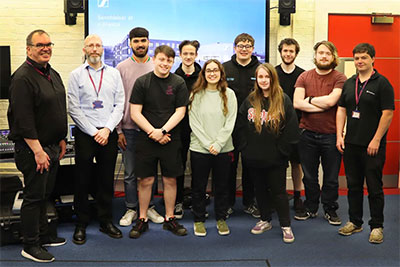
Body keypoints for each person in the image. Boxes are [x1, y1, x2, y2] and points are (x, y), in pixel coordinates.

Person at [8, 29, 67, 262]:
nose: (46, 48)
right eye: (40, 45)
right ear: (28, 49)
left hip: (52, 146)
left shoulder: (51, 73)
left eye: (49, 44)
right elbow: (24, 120)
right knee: (33, 197)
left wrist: (61, 138)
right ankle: (30, 245)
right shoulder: (22, 78)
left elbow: (56, 109)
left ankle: (44, 235)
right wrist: (38, 151)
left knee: (45, 195)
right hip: (34, 151)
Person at [68, 34, 125, 245]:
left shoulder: (114, 74)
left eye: (98, 45)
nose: (94, 49)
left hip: (108, 133)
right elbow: (73, 107)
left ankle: (106, 220)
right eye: (90, 45)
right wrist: (94, 131)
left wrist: (107, 129)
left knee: (105, 179)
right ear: (84, 49)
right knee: (82, 179)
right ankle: (81, 223)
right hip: (86, 134)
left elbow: (120, 104)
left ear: (103, 49)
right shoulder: (76, 75)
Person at [336, 43, 394, 244]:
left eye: (364, 58)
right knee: (353, 186)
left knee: (374, 187)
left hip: (373, 146)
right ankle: (355, 221)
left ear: (372, 59)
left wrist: (376, 139)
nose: (359, 61)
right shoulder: (349, 83)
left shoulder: (382, 84)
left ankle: (377, 226)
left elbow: (388, 114)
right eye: (357, 58)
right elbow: (341, 109)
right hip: (351, 144)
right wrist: (339, 135)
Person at [129, 45, 188, 238]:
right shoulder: (142, 82)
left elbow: (181, 112)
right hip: (147, 138)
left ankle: (170, 218)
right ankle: (142, 218)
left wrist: (162, 131)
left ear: (173, 62)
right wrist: (153, 132)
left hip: (171, 137)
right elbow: (135, 112)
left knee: (170, 179)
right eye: (162, 59)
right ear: (154, 59)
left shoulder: (178, 82)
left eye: (169, 61)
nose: (165, 64)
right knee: (146, 180)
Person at [236, 63, 299, 243]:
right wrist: (244, 149)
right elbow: (240, 127)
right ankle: (265, 220)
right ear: (257, 79)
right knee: (260, 191)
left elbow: (292, 130)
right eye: (260, 77)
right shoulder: (249, 100)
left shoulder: (283, 99)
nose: (264, 80)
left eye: (267, 77)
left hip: (276, 159)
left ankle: (286, 225)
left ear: (273, 78)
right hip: (254, 157)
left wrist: (282, 152)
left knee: (279, 193)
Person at [293, 40, 347, 225]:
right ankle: (310, 207)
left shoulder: (340, 78)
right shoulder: (304, 77)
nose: (324, 56)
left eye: (328, 53)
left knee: (331, 178)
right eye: (321, 53)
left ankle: (330, 209)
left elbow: (332, 101)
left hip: (331, 134)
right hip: (306, 134)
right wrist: (321, 105)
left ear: (333, 57)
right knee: (309, 176)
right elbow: (297, 103)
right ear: (315, 56)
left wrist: (310, 100)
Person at [116, 27, 163, 226]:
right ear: (130, 43)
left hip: (151, 130)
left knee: (150, 171)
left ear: (148, 42)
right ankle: (131, 208)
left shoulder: (156, 66)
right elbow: (117, 100)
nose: (140, 44)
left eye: (143, 40)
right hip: (128, 129)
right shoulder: (121, 68)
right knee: (130, 173)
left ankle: (149, 207)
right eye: (136, 41)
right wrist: (118, 130)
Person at [189, 59, 237, 236]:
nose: (212, 74)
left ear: (221, 73)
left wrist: (218, 144)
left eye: (215, 70)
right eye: (208, 71)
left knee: (222, 186)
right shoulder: (196, 94)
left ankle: (221, 218)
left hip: (223, 149)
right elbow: (194, 122)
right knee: (198, 186)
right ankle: (199, 219)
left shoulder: (229, 94)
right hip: (200, 149)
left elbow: (230, 121)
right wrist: (208, 144)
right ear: (203, 74)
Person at [223, 33, 260, 218]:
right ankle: (228, 203)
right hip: (229, 127)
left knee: (250, 166)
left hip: (253, 128)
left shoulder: (261, 69)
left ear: (253, 49)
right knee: (229, 168)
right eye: (240, 45)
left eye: (247, 46)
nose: (244, 49)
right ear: (234, 47)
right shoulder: (224, 69)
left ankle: (249, 202)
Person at [275, 38, 306, 217]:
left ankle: (297, 196)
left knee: (296, 163)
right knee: (278, 164)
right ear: (281, 52)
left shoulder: (303, 75)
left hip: (297, 127)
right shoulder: (273, 73)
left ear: (296, 53)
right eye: (285, 50)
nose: (288, 54)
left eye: (291, 51)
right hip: (275, 128)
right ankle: (278, 196)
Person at [173, 40, 202, 219]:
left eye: (192, 53)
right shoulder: (174, 76)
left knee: (199, 165)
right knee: (180, 164)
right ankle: (178, 201)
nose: (189, 57)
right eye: (185, 53)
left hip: (201, 127)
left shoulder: (204, 76)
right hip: (180, 128)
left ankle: (198, 201)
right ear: (180, 55)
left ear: (196, 55)